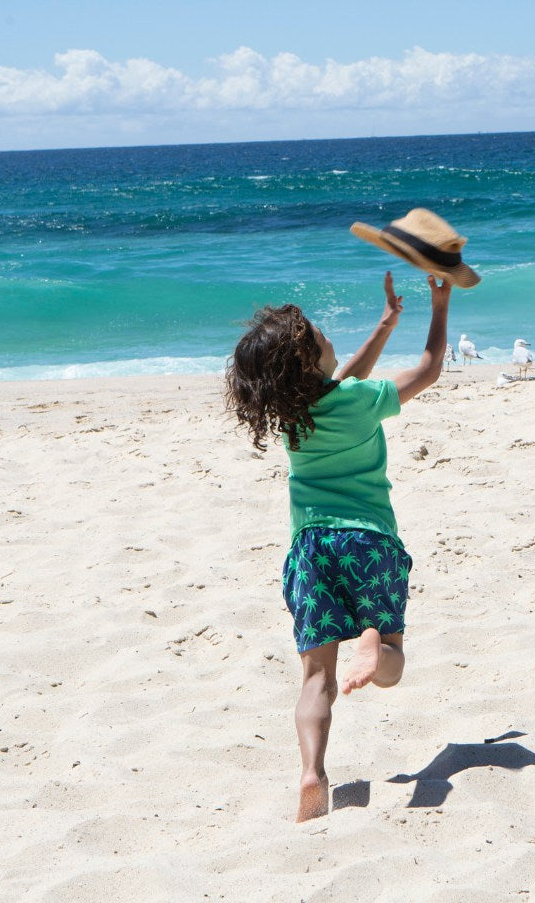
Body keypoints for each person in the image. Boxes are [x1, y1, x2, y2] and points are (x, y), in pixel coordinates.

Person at [225, 270, 452, 821]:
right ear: (310, 360)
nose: (327, 334)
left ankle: (313, 773)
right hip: (369, 543)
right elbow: (428, 370)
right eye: (319, 334)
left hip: (311, 550)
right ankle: (374, 643)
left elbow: (340, 381)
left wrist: (385, 324)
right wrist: (439, 307)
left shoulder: (291, 416)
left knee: (316, 679)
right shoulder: (362, 401)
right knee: (392, 660)